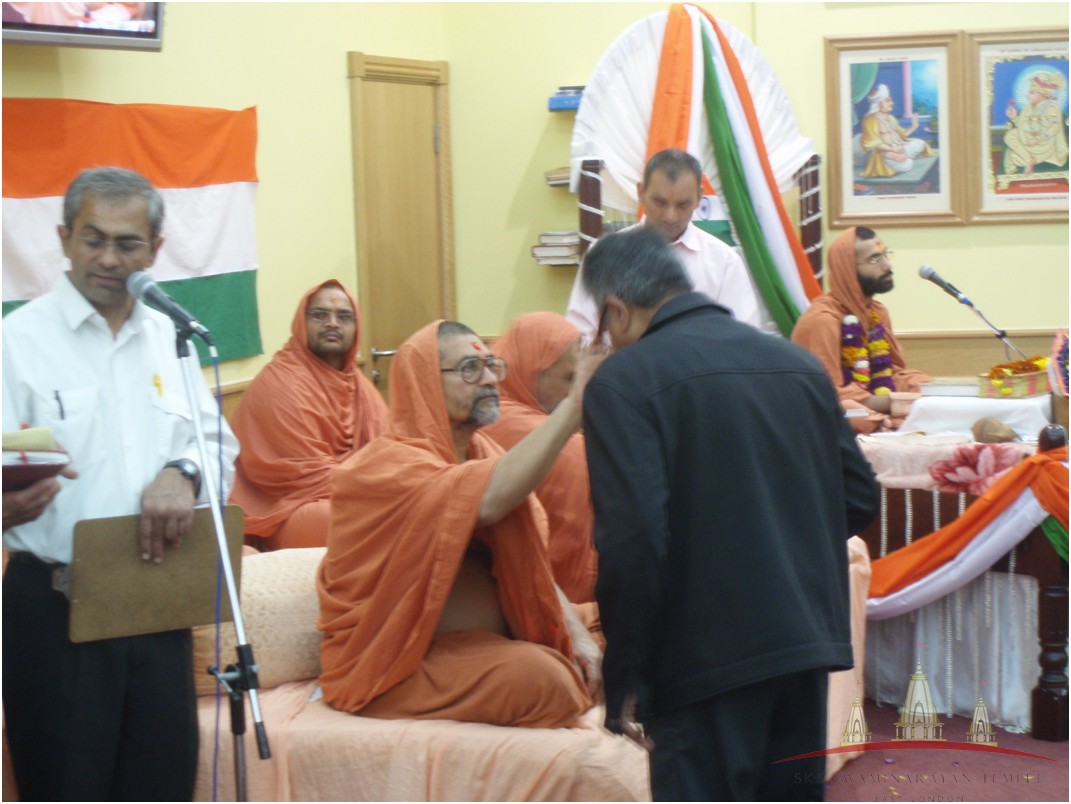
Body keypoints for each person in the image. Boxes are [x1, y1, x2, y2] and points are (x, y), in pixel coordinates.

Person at [579, 227, 879, 801]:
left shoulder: (625, 381)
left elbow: (635, 541)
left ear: (616, 310)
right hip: (803, 646)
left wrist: (624, 675)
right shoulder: (794, 363)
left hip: (700, 662)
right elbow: (861, 498)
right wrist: (781, 547)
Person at [2, 166, 239, 801]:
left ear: (155, 251)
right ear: (62, 239)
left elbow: (217, 445)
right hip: (54, 611)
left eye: (127, 243)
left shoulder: (172, 338)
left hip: (155, 604)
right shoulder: (15, 342)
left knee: (162, 784)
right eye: (92, 239)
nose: (108, 258)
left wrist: (181, 472)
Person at [317, 319, 605, 727]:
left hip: (488, 641)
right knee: (544, 680)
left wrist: (574, 634)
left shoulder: (481, 451)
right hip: (399, 661)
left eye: (492, 365)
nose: (489, 379)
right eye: (470, 368)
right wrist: (574, 407)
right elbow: (487, 502)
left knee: (622, 628)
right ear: (425, 383)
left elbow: (531, 568)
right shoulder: (384, 467)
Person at [229, 280, 387, 550]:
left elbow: (389, 452)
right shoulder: (279, 383)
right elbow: (306, 476)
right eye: (320, 315)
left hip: (354, 492)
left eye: (344, 317)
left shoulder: (360, 386)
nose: (332, 323)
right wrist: (379, 489)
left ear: (357, 327)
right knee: (337, 519)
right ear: (301, 323)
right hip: (287, 508)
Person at [565, 148, 763, 337]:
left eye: (683, 205)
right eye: (659, 202)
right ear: (641, 192)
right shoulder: (605, 257)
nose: (670, 216)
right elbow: (579, 335)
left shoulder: (723, 262)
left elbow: (743, 338)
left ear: (698, 198)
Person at [483, 312, 598, 604]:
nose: (577, 392)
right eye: (569, 379)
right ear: (532, 372)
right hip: (554, 601)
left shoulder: (490, 405)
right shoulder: (564, 448)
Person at [792, 226, 932, 433]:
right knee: (853, 414)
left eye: (885, 255)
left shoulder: (876, 313)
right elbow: (827, 393)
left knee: (926, 386)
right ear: (848, 268)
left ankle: (892, 418)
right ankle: (886, 421)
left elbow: (891, 373)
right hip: (830, 413)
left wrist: (924, 389)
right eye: (875, 259)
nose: (887, 265)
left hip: (877, 401)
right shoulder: (822, 321)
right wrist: (897, 403)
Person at [859, 83, 935, 178]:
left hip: (899, 147)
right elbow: (872, 143)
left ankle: (903, 156)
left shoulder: (891, 118)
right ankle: (902, 158)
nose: (892, 103)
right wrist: (892, 150)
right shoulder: (870, 120)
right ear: (878, 104)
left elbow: (902, 135)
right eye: (888, 101)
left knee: (920, 143)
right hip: (884, 153)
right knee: (908, 164)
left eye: (891, 100)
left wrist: (914, 126)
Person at [1002, 72, 1069, 175]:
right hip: (1029, 140)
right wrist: (1014, 117)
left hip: (1044, 144)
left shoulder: (1051, 108)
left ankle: (1027, 158)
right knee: (1010, 135)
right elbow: (1024, 128)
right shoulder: (1029, 108)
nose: (1028, 96)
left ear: (1042, 93)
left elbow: (1055, 127)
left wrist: (1038, 139)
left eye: (1032, 92)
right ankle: (1029, 159)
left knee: (1013, 156)